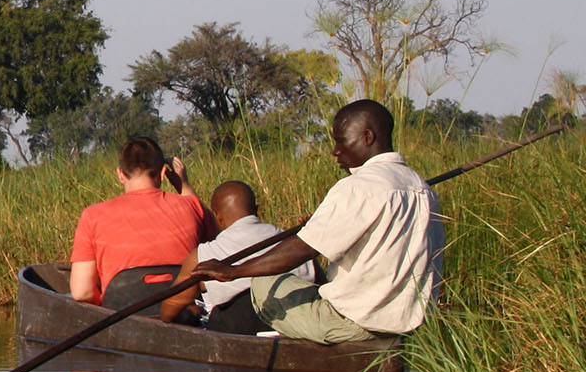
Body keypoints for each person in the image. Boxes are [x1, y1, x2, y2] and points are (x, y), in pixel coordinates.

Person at [193, 99, 444, 345]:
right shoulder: (420, 187)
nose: (335, 151)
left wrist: (233, 271)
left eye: (341, 141)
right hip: (407, 325)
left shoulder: (358, 186)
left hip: (356, 323)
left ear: (368, 137)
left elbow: (303, 249)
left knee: (263, 283)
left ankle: (305, 344)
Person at [68, 137, 212, 308]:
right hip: (183, 316)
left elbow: (81, 292)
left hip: (120, 317)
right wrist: (184, 186)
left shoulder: (92, 215)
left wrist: (106, 305)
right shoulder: (191, 206)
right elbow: (221, 247)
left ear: (120, 174)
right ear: (162, 173)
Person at [157, 181, 315, 333]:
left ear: (217, 217)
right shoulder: (299, 243)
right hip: (296, 332)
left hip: (235, 336)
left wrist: (189, 314)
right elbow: (321, 287)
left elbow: (168, 312)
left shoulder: (203, 256)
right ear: (257, 210)